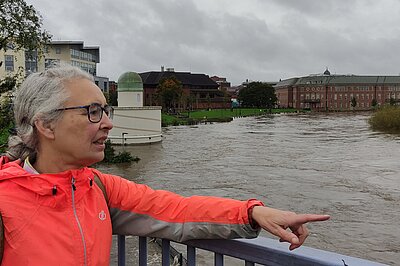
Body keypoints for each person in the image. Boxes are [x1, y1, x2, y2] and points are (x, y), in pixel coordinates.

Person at [0, 65, 329, 265]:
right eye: (92, 112)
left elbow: (177, 211)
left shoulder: (95, 186)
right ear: (45, 125)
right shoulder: (5, 203)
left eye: (106, 110)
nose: (108, 124)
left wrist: (252, 212)